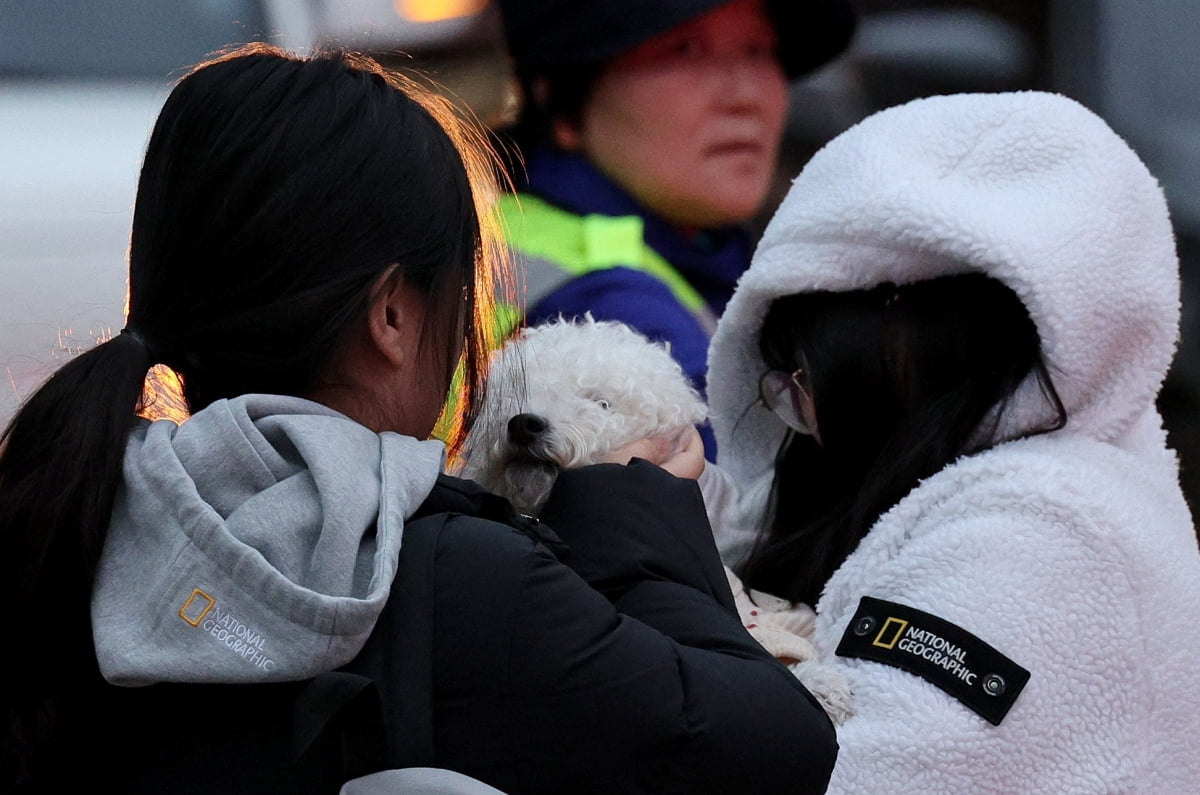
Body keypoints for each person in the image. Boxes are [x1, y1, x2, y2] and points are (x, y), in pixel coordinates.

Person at [0, 44, 839, 794]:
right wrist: (638, 518)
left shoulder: (61, 515)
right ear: (393, 316)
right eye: (464, 290)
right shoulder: (460, 583)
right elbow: (782, 749)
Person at [702, 90, 1200, 791]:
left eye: (810, 376)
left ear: (909, 340)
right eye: (785, 386)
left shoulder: (1035, 531)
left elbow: (852, 777)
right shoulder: (1044, 484)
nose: (804, 414)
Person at [492, 0, 857, 458]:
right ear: (561, 101)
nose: (745, 96)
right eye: (684, 50)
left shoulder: (689, 247)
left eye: (759, 51)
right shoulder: (612, 304)